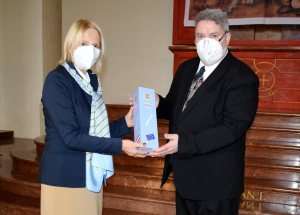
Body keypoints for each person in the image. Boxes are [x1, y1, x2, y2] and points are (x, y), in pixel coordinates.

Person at [149, 9, 259, 215]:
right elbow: (176, 108)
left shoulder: (242, 77)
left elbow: (231, 128)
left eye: (213, 36)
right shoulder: (186, 68)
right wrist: (156, 103)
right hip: (184, 179)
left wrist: (184, 143)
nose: (205, 42)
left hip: (216, 184)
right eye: (200, 36)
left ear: (227, 38)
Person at [38, 19, 148, 215]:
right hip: (65, 178)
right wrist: (121, 146)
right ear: (71, 45)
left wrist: (126, 122)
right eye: (84, 43)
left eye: (96, 45)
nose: (91, 50)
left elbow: (95, 132)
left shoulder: (91, 82)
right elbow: (71, 137)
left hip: (90, 176)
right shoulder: (57, 80)